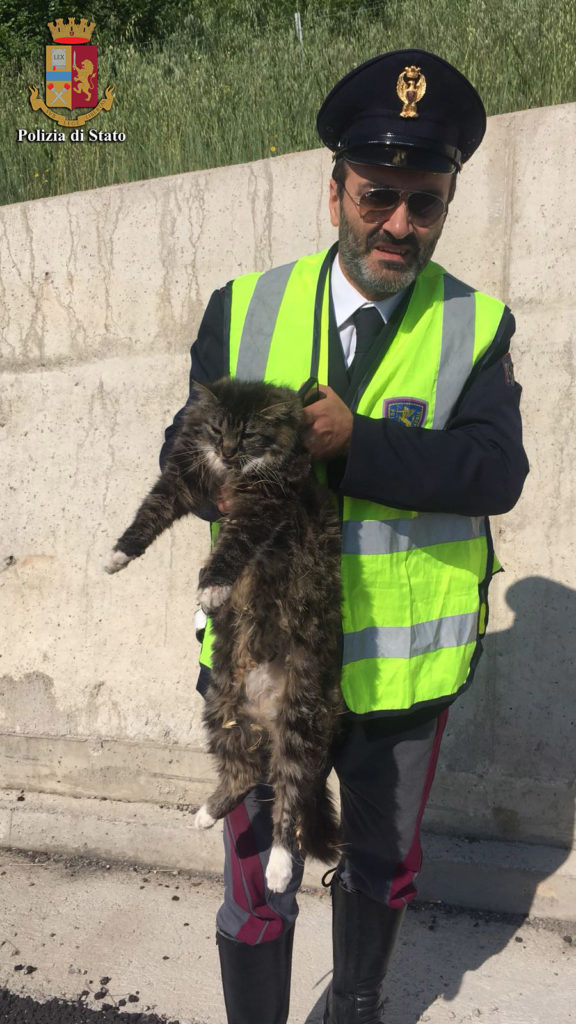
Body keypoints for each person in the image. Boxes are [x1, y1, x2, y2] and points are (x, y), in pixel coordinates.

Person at [161, 49, 528, 1024]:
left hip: (401, 689)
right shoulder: (243, 310)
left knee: (378, 866)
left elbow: (497, 471)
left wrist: (358, 445)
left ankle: (355, 1006)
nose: (399, 224)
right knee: (259, 880)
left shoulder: (476, 327)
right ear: (335, 194)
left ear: (447, 202)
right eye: (378, 196)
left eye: (426, 201)